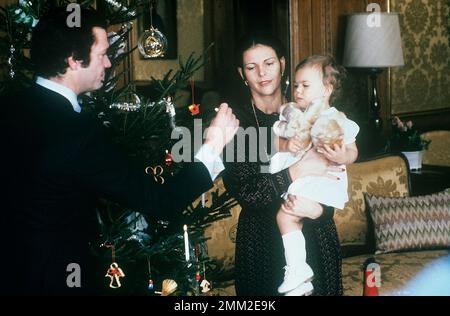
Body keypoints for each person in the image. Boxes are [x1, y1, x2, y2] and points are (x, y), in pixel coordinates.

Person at [0, 7, 238, 295]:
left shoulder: (9, 108)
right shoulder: (78, 132)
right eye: (102, 54)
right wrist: (213, 144)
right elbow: (160, 200)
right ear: (74, 60)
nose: (109, 63)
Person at [221, 33, 344, 296]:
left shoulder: (310, 108)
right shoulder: (235, 123)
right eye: (251, 67)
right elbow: (247, 192)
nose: (262, 73)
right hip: (261, 246)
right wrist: (298, 170)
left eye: (269, 63)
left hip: (316, 237)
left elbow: (334, 176)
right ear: (242, 74)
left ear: (283, 64)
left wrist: (319, 212)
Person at [270, 55, 359, 296]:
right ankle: (299, 273)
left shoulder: (336, 119)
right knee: (287, 217)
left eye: (305, 86)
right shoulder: (295, 115)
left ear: (327, 89)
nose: (298, 90)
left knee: (285, 216)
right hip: (303, 180)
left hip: (323, 183)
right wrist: (289, 144)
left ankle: (298, 269)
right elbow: (275, 141)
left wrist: (343, 156)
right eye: (296, 85)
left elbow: (352, 151)